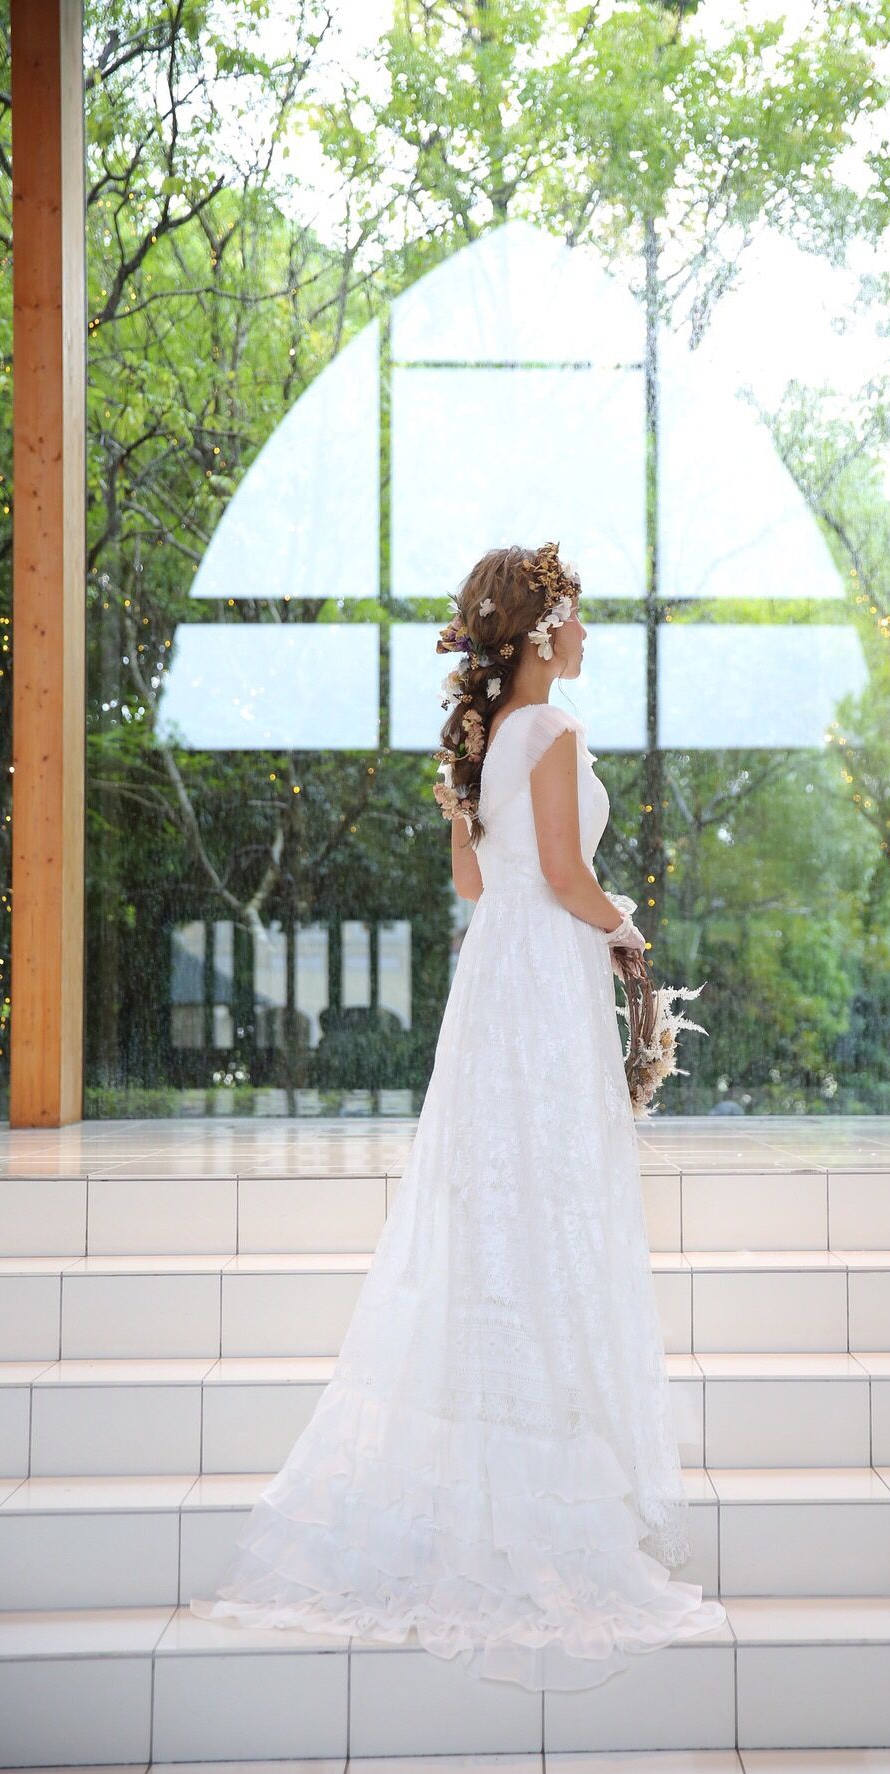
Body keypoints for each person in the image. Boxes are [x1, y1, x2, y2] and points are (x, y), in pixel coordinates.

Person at [189, 541, 727, 1690]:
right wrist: (627, 932)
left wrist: (462, 820)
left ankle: (496, 1450)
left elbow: (475, 884)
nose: (584, 634)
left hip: (497, 974)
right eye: (573, 616)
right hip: (542, 980)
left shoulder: (488, 741)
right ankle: (537, 1464)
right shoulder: (553, 730)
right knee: (547, 1202)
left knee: (495, 1210)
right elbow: (565, 878)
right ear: (540, 631)